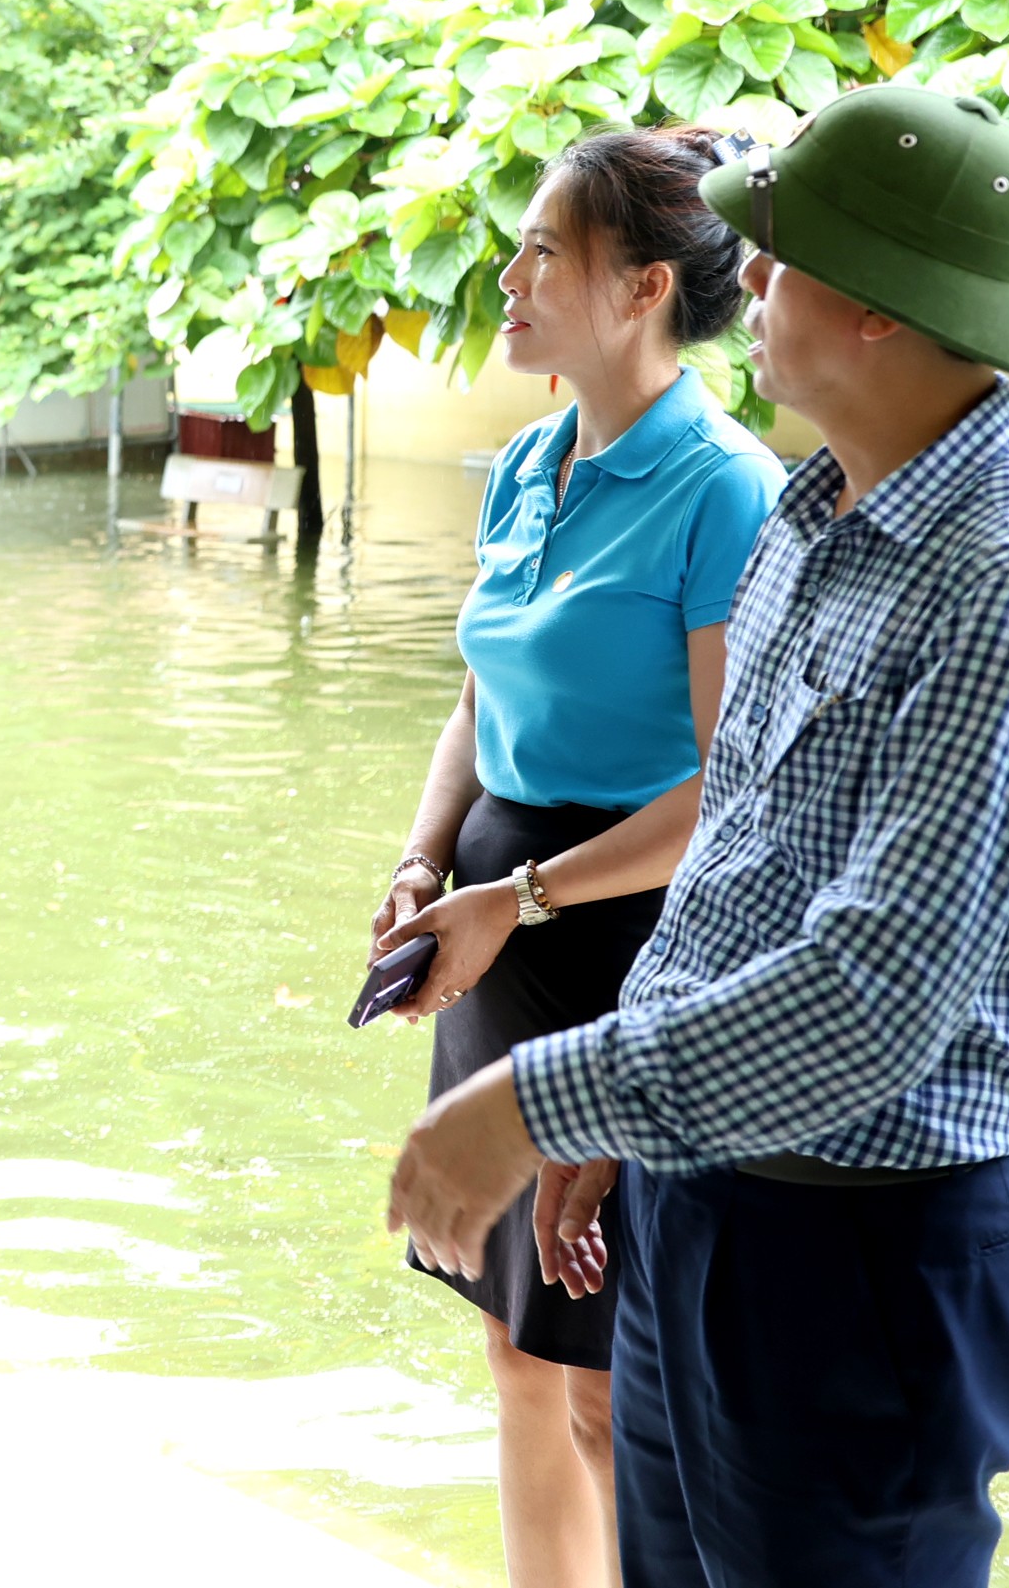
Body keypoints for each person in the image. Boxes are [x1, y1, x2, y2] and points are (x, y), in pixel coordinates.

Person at [388, 83, 1009, 1588]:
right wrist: (617, 1122)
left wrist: (543, 1096)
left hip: (866, 1249)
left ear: (877, 309)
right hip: (699, 1192)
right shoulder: (815, 514)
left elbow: (870, 997)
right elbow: (737, 851)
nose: (755, 289)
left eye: (783, 262)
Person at [369, 127, 781, 1588]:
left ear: (644, 289)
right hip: (491, 914)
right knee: (514, 1344)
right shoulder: (533, 459)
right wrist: (425, 866)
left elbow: (732, 789)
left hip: (634, 934)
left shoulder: (726, 487)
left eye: (549, 247)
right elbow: (481, 696)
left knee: (616, 1371)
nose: (514, 270)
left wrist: (517, 896)